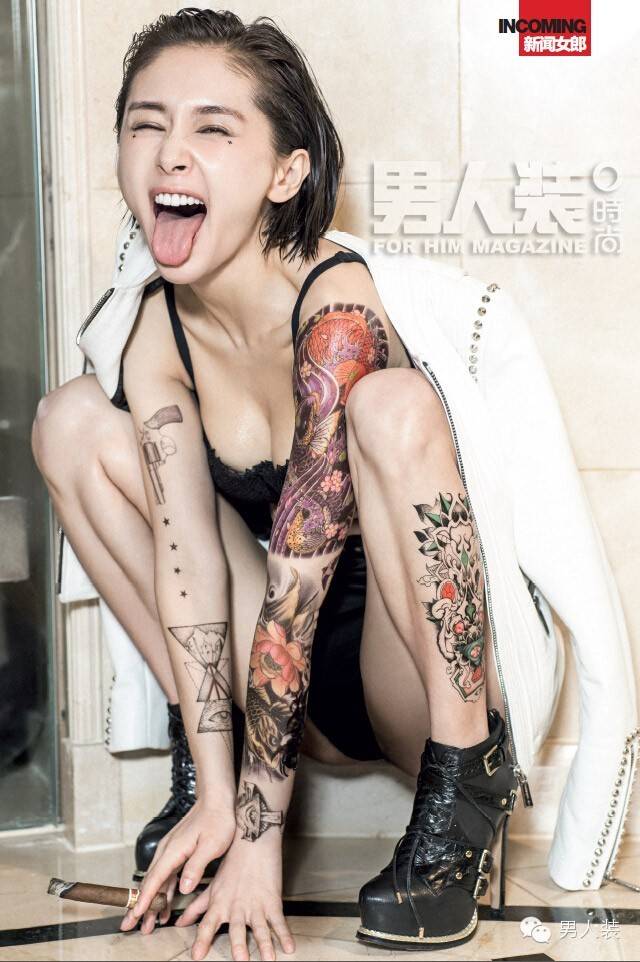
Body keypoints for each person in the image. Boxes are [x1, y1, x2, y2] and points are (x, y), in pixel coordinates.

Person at [31, 7, 638, 962]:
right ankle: (204, 781)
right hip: (283, 695)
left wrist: (263, 841)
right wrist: (226, 795)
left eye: (212, 128)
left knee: (391, 405)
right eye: (146, 124)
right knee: (71, 421)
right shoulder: (154, 328)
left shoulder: (338, 312)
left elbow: (300, 576)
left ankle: (466, 787)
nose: (169, 153)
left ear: (286, 173)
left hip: (409, 683)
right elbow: (187, 561)